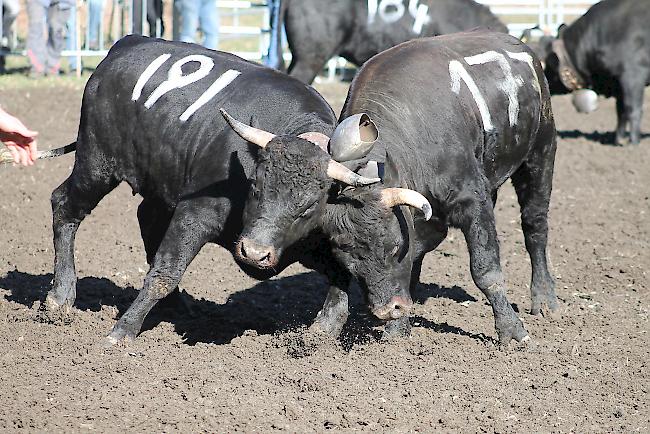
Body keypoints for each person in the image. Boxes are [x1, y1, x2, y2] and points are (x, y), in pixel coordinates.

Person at [26, 0, 74, 77]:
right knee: (35, 28)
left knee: (57, 31)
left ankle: (52, 65)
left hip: (62, 2)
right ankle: (37, 66)